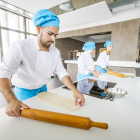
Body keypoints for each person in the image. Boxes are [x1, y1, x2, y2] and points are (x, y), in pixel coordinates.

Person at [0, 9, 85, 117]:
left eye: (55, 35)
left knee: (44, 116)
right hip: (23, 91)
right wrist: (11, 100)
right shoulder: (20, 47)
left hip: (43, 89)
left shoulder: (55, 52)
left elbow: (61, 72)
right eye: (50, 34)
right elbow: (3, 73)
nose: (53, 39)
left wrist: (74, 90)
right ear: (38, 29)